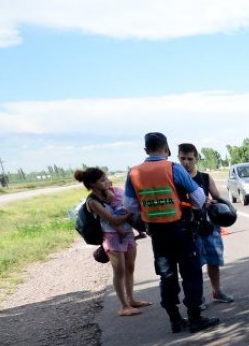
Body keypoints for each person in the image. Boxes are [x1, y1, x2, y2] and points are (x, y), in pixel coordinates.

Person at [123, 132, 220, 334]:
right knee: (191, 274)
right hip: (182, 230)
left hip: (157, 235)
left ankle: (175, 320)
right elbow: (199, 196)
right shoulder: (172, 168)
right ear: (166, 149)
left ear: (145, 150)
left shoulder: (133, 173)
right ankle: (195, 319)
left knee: (167, 276)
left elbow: (130, 206)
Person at [75, 167, 151, 316]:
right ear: (92, 184)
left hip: (126, 232)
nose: (107, 182)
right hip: (111, 237)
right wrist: (130, 211)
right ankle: (124, 306)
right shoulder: (92, 202)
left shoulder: (109, 193)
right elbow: (113, 220)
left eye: (106, 178)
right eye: (102, 180)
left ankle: (131, 299)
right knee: (119, 271)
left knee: (130, 267)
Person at [178, 143, 235, 306]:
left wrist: (212, 202)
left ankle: (217, 291)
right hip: (188, 226)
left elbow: (217, 197)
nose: (186, 162)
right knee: (193, 265)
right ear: (178, 158)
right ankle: (197, 298)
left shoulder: (204, 177)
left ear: (196, 159)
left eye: (190, 159)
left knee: (214, 260)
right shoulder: (176, 179)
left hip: (208, 226)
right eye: (182, 158)